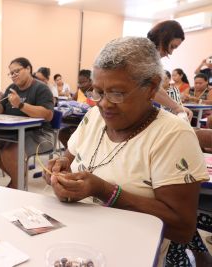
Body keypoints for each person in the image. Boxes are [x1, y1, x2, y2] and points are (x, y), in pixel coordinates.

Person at [44, 37, 209, 266]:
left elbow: (182, 227)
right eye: (98, 92)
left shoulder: (173, 135)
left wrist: (104, 190)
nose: (104, 103)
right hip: (79, 245)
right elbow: (69, 160)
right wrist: (60, 170)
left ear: (151, 88)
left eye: (116, 93)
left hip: (132, 255)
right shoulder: (94, 118)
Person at [0, 57, 54, 189]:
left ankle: (16, 185)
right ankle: (18, 180)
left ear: (28, 69)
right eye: (11, 73)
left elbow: (47, 115)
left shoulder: (41, 88)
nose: (13, 75)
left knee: (9, 153)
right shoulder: (11, 88)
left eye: (17, 71)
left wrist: (20, 105)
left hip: (39, 133)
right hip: (12, 131)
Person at [147, 20, 192, 119]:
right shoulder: (143, 55)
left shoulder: (148, 55)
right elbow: (152, 88)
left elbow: (154, 87)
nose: (170, 53)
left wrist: (177, 107)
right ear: (163, 38)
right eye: (172, 47)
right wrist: (176, 107)